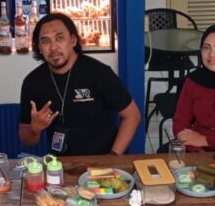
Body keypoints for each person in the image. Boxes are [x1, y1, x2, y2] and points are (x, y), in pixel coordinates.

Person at [19, 13, 141, 155]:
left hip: (103, 158)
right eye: (45, 41)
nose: (53, 47)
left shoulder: (99, 73)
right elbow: (27, 140)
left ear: (73, 40)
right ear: (39, 47)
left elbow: (132, 115)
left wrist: (112, 157)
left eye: (60, 38)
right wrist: (35, 129)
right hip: (59, 163)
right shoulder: (33, 82)